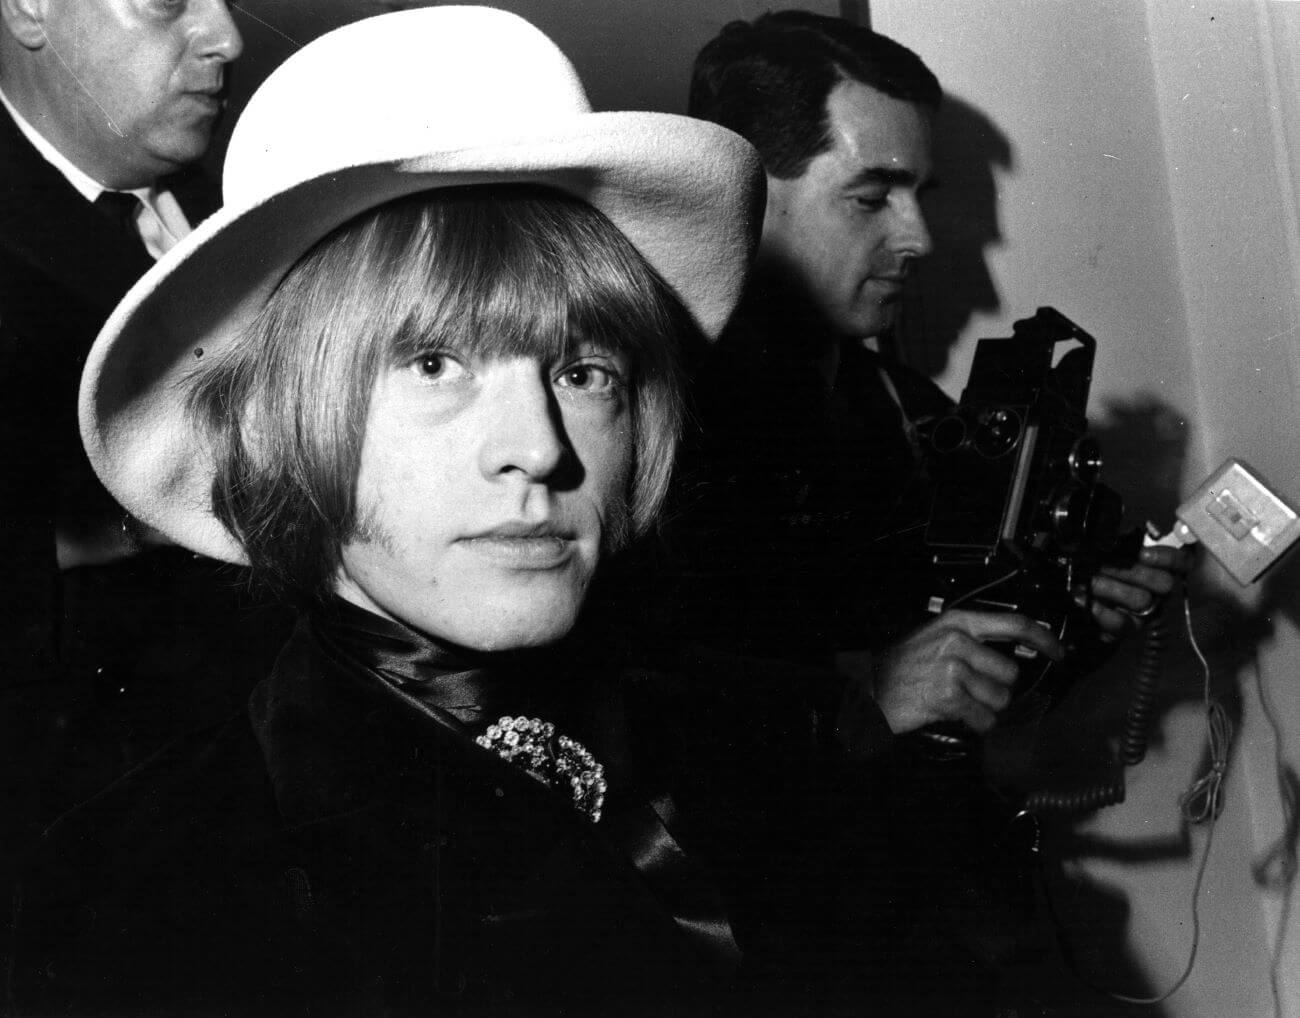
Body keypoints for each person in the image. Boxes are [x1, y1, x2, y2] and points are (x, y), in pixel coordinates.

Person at [5, 9, 871, 1016]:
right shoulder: (152, 888)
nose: (540, 448)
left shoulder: (762, 771)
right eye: (433, 363)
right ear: (275, 424)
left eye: (586, 370)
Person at [664, 11, 1190, 1013]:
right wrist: (862, 692)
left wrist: (1070, 613)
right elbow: (606, 709)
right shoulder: (639, 413)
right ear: (738, 195)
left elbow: (956, 670)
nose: (916, 237)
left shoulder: (896, 406)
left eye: (919, 194)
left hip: (921, 930)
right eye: (870, 196)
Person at [0, 0, 282, 850]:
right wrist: (125, 528)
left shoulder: (252, 178)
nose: (226, 38)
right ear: (29, 9)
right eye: (168, 2)